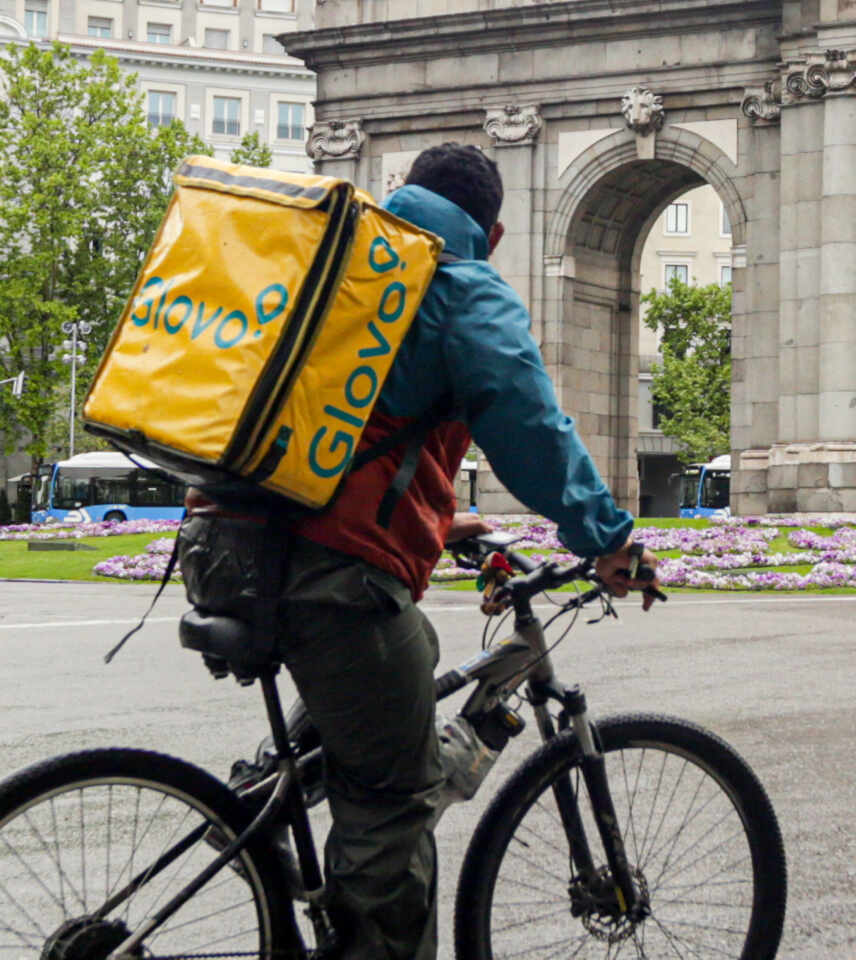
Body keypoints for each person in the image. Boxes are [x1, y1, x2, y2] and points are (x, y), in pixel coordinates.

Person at [175, 141, 659, 960]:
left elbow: (340, 437)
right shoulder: (460, 285)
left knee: (355, 727)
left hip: (228, 547)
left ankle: (263, 824)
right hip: (333, 578)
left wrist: (439, 523)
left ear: (402, 195)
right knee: (394, 799)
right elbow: (530, 428)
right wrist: (608, 539)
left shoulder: (333, 258)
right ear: (493, 233)